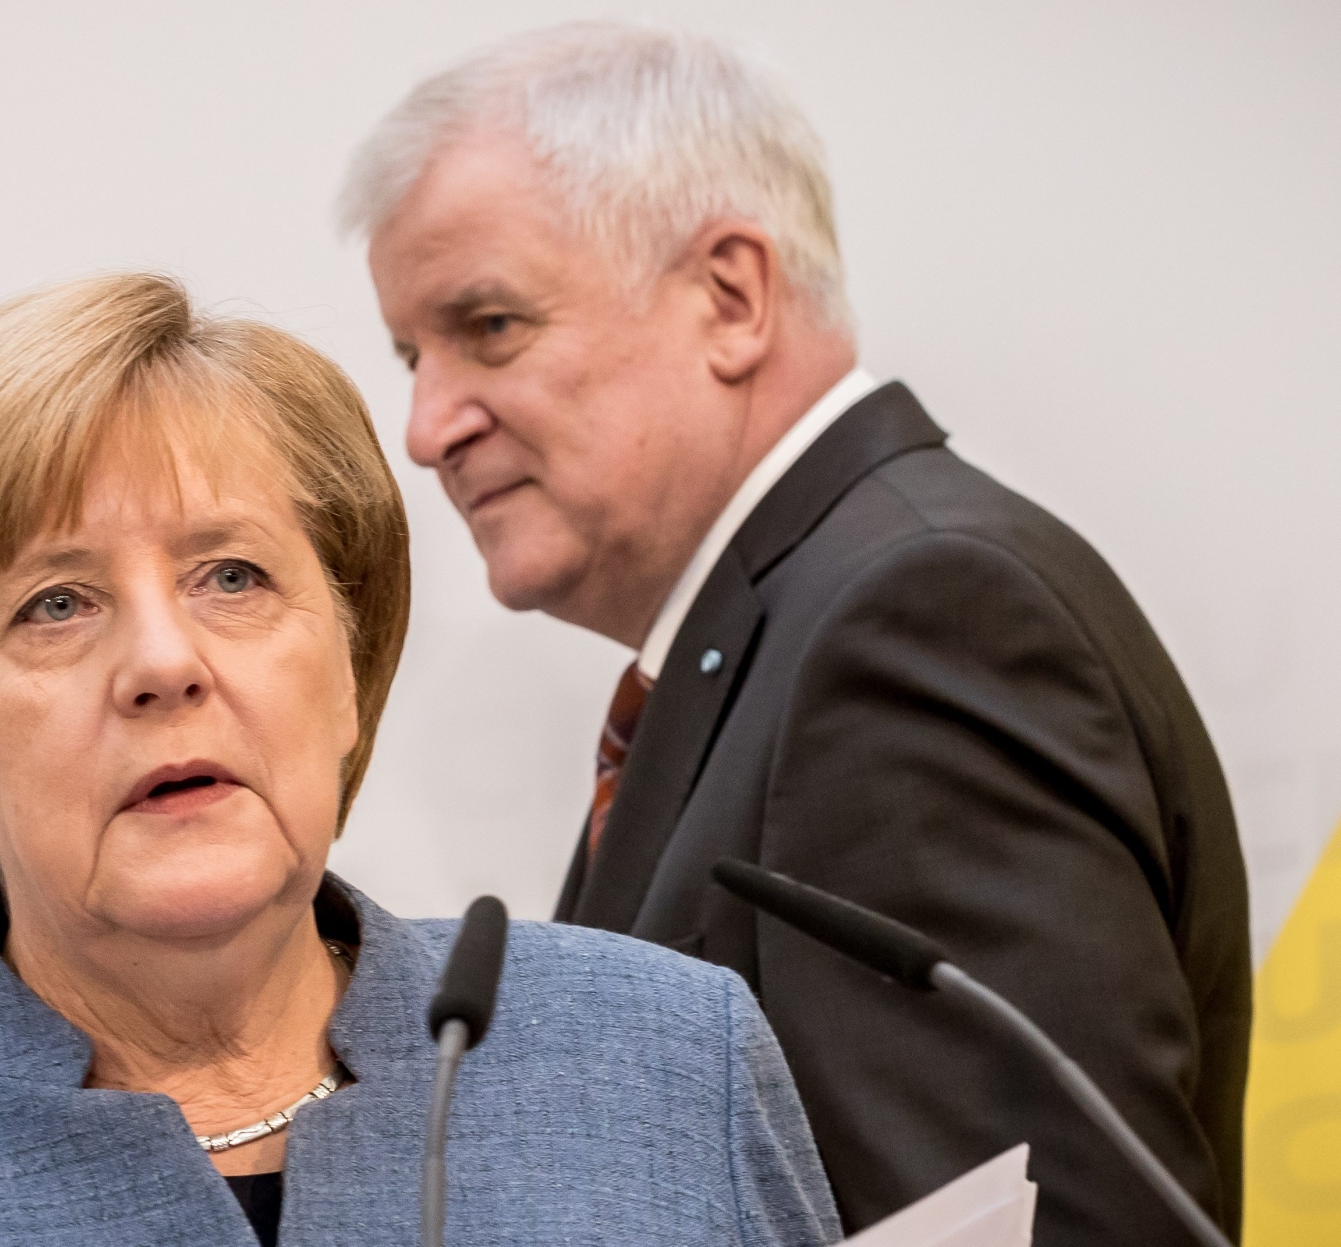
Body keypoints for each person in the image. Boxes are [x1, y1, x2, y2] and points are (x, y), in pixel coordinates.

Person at [0, 272, 840, 1246]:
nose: (164, 661)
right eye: (54, 602)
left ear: (346, 664)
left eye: (232, 575)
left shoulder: (671, 1054)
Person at [341, 22, 1250, 1247]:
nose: (426, 422)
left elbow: (1041, 1223)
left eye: (489, 325)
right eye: (410, 353)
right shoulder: (802, 617)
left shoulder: (912, 620)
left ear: (730, 296)